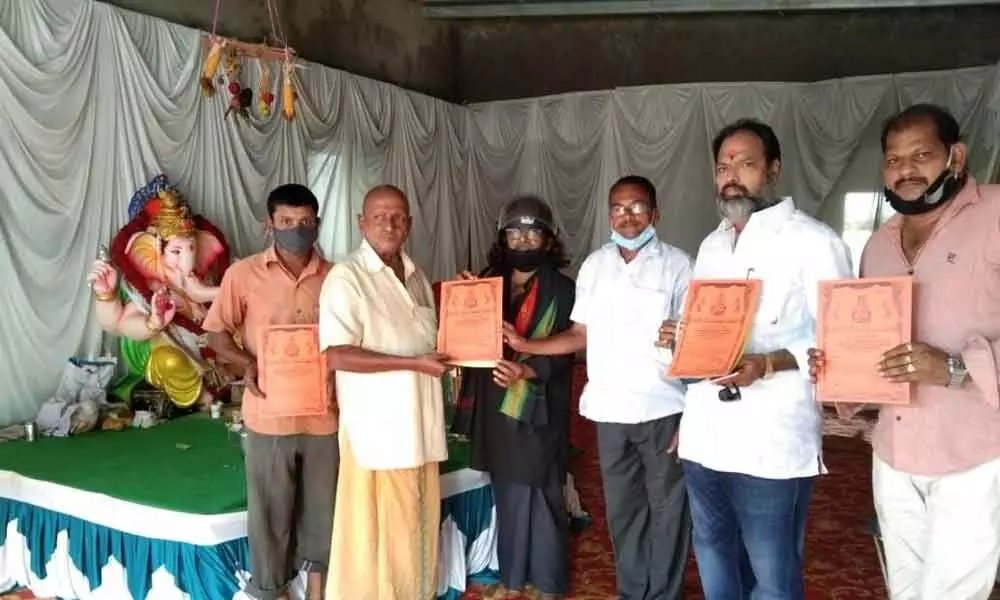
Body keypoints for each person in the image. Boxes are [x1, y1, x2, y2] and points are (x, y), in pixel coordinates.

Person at [808, 104, 1000, 599]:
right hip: (895, 449)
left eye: (922, 155)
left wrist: (956, 367)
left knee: (953, 591)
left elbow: (949, 364)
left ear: (955, 156)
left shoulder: (996, 214)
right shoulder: (879, 244)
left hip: (975, 450)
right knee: (906, 587)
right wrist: (838, 367)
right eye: (893, 160)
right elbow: (872, 337)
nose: (906, 170)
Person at [657, 119, 852, 600]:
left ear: (773, 169)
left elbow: (840, 341)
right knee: (713, 547)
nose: (731, 175)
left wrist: (766, 364)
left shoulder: (814, 241)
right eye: (723, 166)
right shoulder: (712, 244)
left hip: (771, 440)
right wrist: (682, 339)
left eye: (745, 163)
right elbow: (708, 332)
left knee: (771, 568)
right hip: (705, 435)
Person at [506, 175, 692, 600]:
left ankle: (665, 593)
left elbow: (697, 341)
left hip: (663, 407)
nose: (627, 217)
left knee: (668, 510)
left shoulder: (680, 265)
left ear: (655, 214)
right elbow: (578, 335)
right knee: (624, 511)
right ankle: (633, 591)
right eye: (619, 209)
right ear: (609, 215)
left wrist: (682, 342)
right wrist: (526, 345)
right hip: (609, 411)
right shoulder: (595, 265)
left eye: (637, 207)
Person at [202, 183, 338, 600]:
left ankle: (318, 590)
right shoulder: (242, 275)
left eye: (304, 222)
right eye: (286, 222)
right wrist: (250, 364)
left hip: (324, 414)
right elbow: (216, 335)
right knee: (269, 513)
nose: (296, 229)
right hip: (267, 414)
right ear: (269, 224)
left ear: (316, 224)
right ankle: (273, 591)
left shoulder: (336, 277)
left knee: (325, 510)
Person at [319, 184, 449, 600]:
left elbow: (431, 344)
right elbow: (338, 355)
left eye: (397, 217)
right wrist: (414, 364)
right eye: (379, 216)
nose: (389, 225)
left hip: (421, 428)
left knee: (417, 525)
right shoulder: (347, 278)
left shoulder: (416, 276)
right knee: (382, 538)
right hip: (380, 434)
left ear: (409, 224)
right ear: (361, 223)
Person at [454, 196, 576, 600]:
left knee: (543, 491)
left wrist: (529, 369)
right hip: (496, 402)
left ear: (548, 238)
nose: (523, 240)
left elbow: (569, 348)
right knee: (507, 491)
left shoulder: (564, 289)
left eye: (532, 231)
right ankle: (512, 577)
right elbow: (467, 339)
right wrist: (465, 301)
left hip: (540, 403)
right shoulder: (489, 281)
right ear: (503, 237)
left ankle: (548, 581)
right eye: (515, 232)